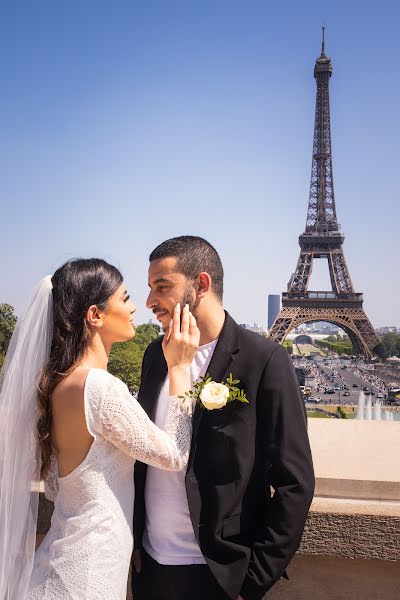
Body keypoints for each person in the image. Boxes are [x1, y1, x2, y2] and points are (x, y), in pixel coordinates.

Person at [0, 258, 200, 600]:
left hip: (59, 561)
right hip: (89, 572)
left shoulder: (57, 386)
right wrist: (180, 367)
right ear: (95, 315)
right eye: (124, 298)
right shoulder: (101, 388)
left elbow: (53, 486)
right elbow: (174, 455)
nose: (136, 306)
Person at [132, 236, 315, 600]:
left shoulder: (263, 360)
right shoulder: (155, 355)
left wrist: (254, 580)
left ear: (201, 284)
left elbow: (295, 482)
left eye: (162, 287)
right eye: (150, 289)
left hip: (220, 574)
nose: (150, 302)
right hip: (149, 568)